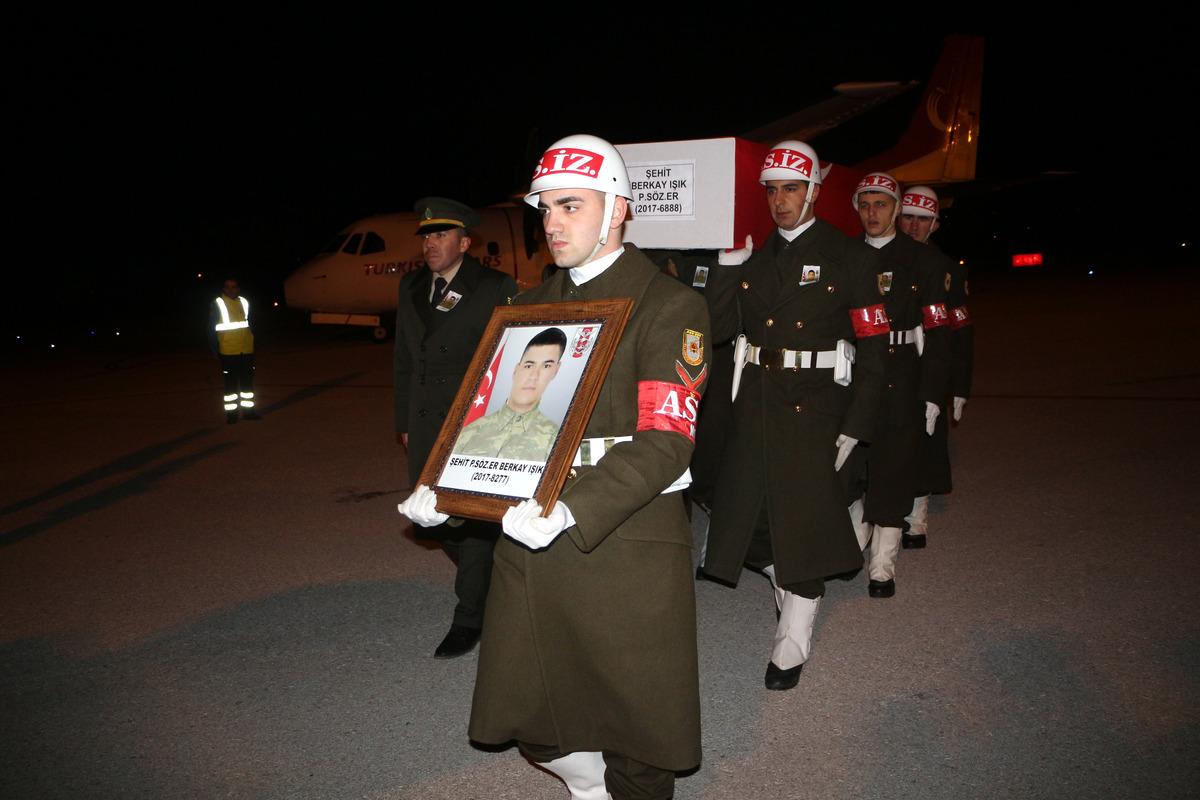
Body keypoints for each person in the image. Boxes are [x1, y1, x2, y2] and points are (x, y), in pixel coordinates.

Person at [401, 133, 709, 800]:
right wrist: (445, 487)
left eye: (571, 205)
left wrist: (573, 508)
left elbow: (666, 441)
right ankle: (588, 785)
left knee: (639, 735)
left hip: (621, 536)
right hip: (528, 532)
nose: (552, 223)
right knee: (529, 711)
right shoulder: (527, 307)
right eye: (545, 208)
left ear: (619, 209)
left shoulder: (669, 305)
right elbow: (494, 420)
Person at [701, 140, 889, 690]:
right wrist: (725, 269)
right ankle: (788, 579)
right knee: (748, 510)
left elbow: (876, 351)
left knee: (803, 515)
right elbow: (715, 332)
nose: (780, 201)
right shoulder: (755, 256)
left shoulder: (853, 257)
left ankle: (794, 632)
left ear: (813, 191)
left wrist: (857, 423)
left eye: (791, 188)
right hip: (757, 398)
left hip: (817, 405)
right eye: (773, 190)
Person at [393, 196, 517, 659]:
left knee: (470, 520)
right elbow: (404, 359)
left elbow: (509, 358)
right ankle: (493, 579)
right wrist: (403, 418)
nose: (430, 244)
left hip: (473, 422)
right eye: (426, 235)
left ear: (465, 242)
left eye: (441, 235)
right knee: (434, 520)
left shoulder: (493, 286)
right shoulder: (409, 287)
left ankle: (470, 617)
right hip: (425, 421)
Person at [850, 173, 950, 597]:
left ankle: (883, 564)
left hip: (903, 370)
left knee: (893, 464)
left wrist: (932, 392)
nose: (873, 213)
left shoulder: (922, 260)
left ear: (895, 208)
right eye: (866, 205)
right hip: (855, 371)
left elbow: (939, 330)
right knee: (853, 465)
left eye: (882, 205)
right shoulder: (846, 255)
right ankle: (851, 542)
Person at [898, 185, 974, 549]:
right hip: (893, 361)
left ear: (935, 225)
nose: (914, 226)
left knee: (928, 439)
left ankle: (917, 513)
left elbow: (960, 330)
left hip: (932, 360)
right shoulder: (882, 257)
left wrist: (960, 384)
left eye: (923, 219)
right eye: (908, 217)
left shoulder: (946, 270)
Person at [453, 327, 566, 461]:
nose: (534, 376)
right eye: (529, 365)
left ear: (556, 370)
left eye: (546, 366)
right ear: (516, 369)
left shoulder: (558, 441)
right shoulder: (468, 433)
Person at [207, 278, 260, 424]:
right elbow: (211, 329)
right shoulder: (218, 304)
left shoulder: (244, 302)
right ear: (223, 289)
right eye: (228, 287)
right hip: (228, 351)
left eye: (234, 287)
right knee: (230, 385)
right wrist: (215, 350)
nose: (231, 290)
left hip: (246, 350)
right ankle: (232, 415)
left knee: (247, 384)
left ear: (238, 289)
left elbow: (251, 324)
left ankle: (249, 412)